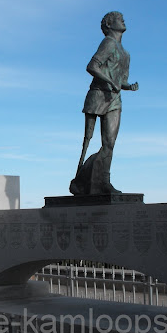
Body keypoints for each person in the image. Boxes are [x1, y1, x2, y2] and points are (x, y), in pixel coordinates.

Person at [71, 11, 138, 195]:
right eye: (118, 18)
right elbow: (92, 66)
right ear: (109, 25)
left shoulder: (126, 53)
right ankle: (84, 180)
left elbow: (120, 80)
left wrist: (128, 86)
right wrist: (110, 82)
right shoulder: (108, 43)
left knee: (109, 143)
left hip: (114, 99)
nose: (123, 20)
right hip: (99, 95)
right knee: (88, 140)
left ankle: (102, 181)